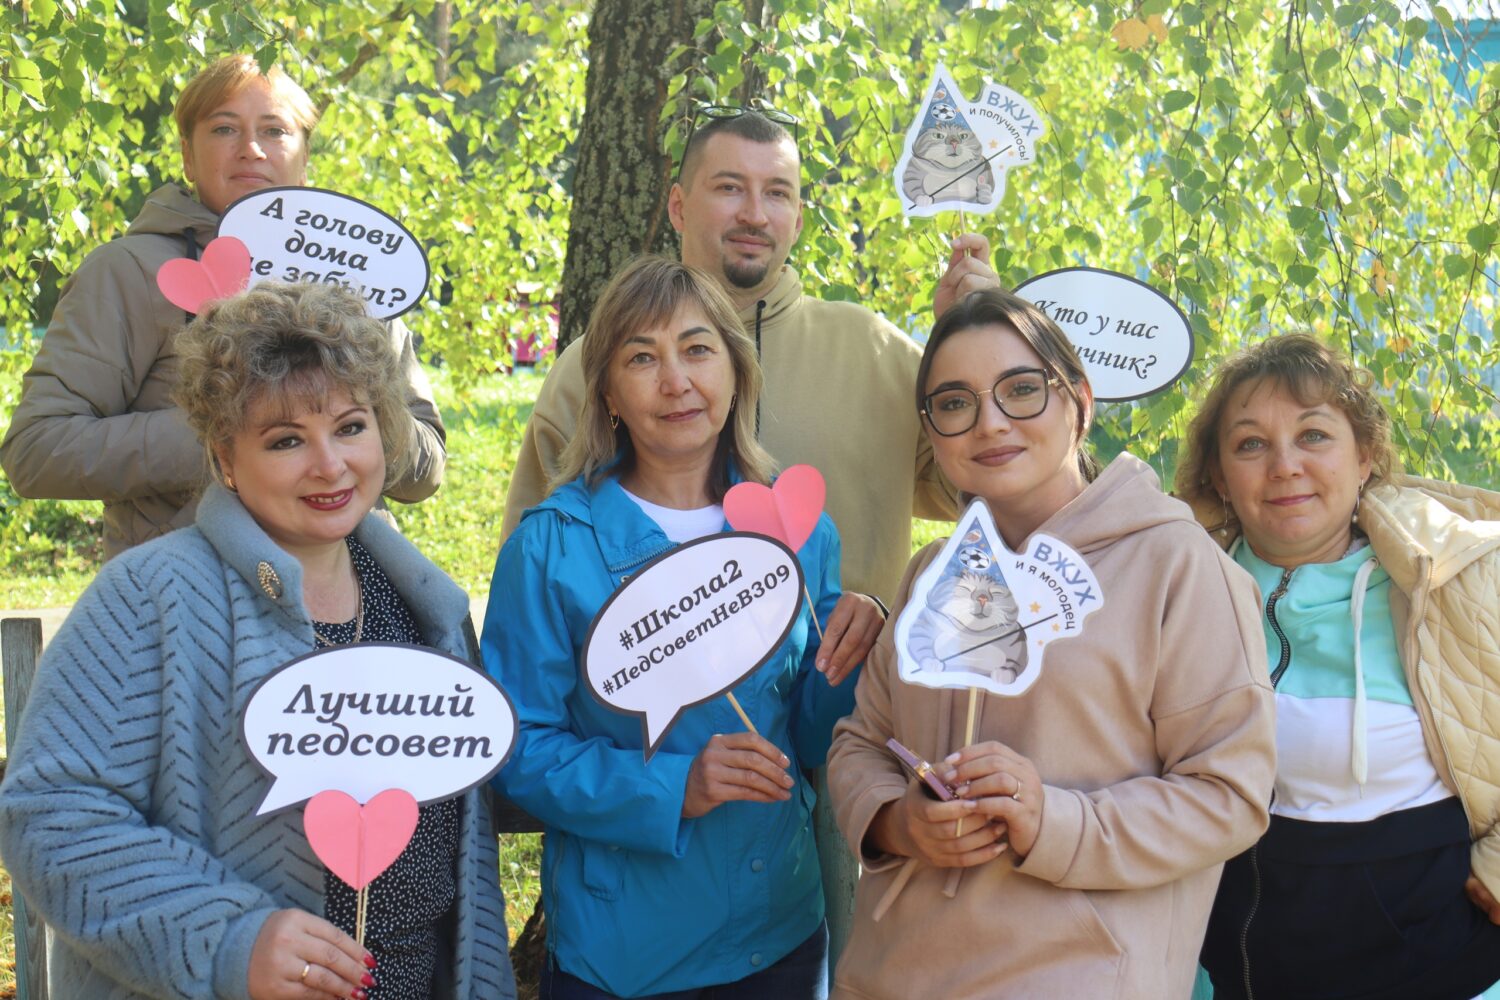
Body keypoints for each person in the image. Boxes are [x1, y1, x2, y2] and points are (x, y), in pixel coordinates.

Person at [0, 282, 513, 1000]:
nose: (330, 465)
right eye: (286, 440)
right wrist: (228, 938)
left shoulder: (425, 607)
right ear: (226, 457)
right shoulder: (147, 598)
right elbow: (51, 817)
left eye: (351, 427)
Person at [824, 288, 1278, 999]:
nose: (990, 423)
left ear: (1081, 402)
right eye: (953, 403)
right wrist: (896, 822)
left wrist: (1054, 822)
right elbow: (860, 744)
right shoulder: (931, 573)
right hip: (888, 977)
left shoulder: (1178, 567)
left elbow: (1231, 796)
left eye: (1022, 390)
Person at [484, 256, 882, 999]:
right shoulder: (551, 548)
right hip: (629, 953)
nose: (676, 381)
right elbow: (518, 748)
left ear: (736, 371)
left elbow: (806, 734)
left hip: (782, 934)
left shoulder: (796, 531)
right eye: (643, 357)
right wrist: (674, 786)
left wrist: (854, 654)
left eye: (698, 349)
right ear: (607, 391)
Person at [0, 54, 445, 559]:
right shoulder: (126, 273)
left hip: (348, 600)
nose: (251, 149)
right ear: (188, 156)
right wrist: (231, 436)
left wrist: (353, 430)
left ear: (305, 158)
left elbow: (426, 469)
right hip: (187, 601)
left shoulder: (358, 274)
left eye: (275, 130)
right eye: (224, 129)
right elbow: (36, 451)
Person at [1175, 332, 1500, 1000]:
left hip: (1445, 970)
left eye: (1314, 436)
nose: (1285, 465)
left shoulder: (1456, 580)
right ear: (1218, 478)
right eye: (1250, 444)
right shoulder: (1176, 594)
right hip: (1229, 975)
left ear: (1366, 458)